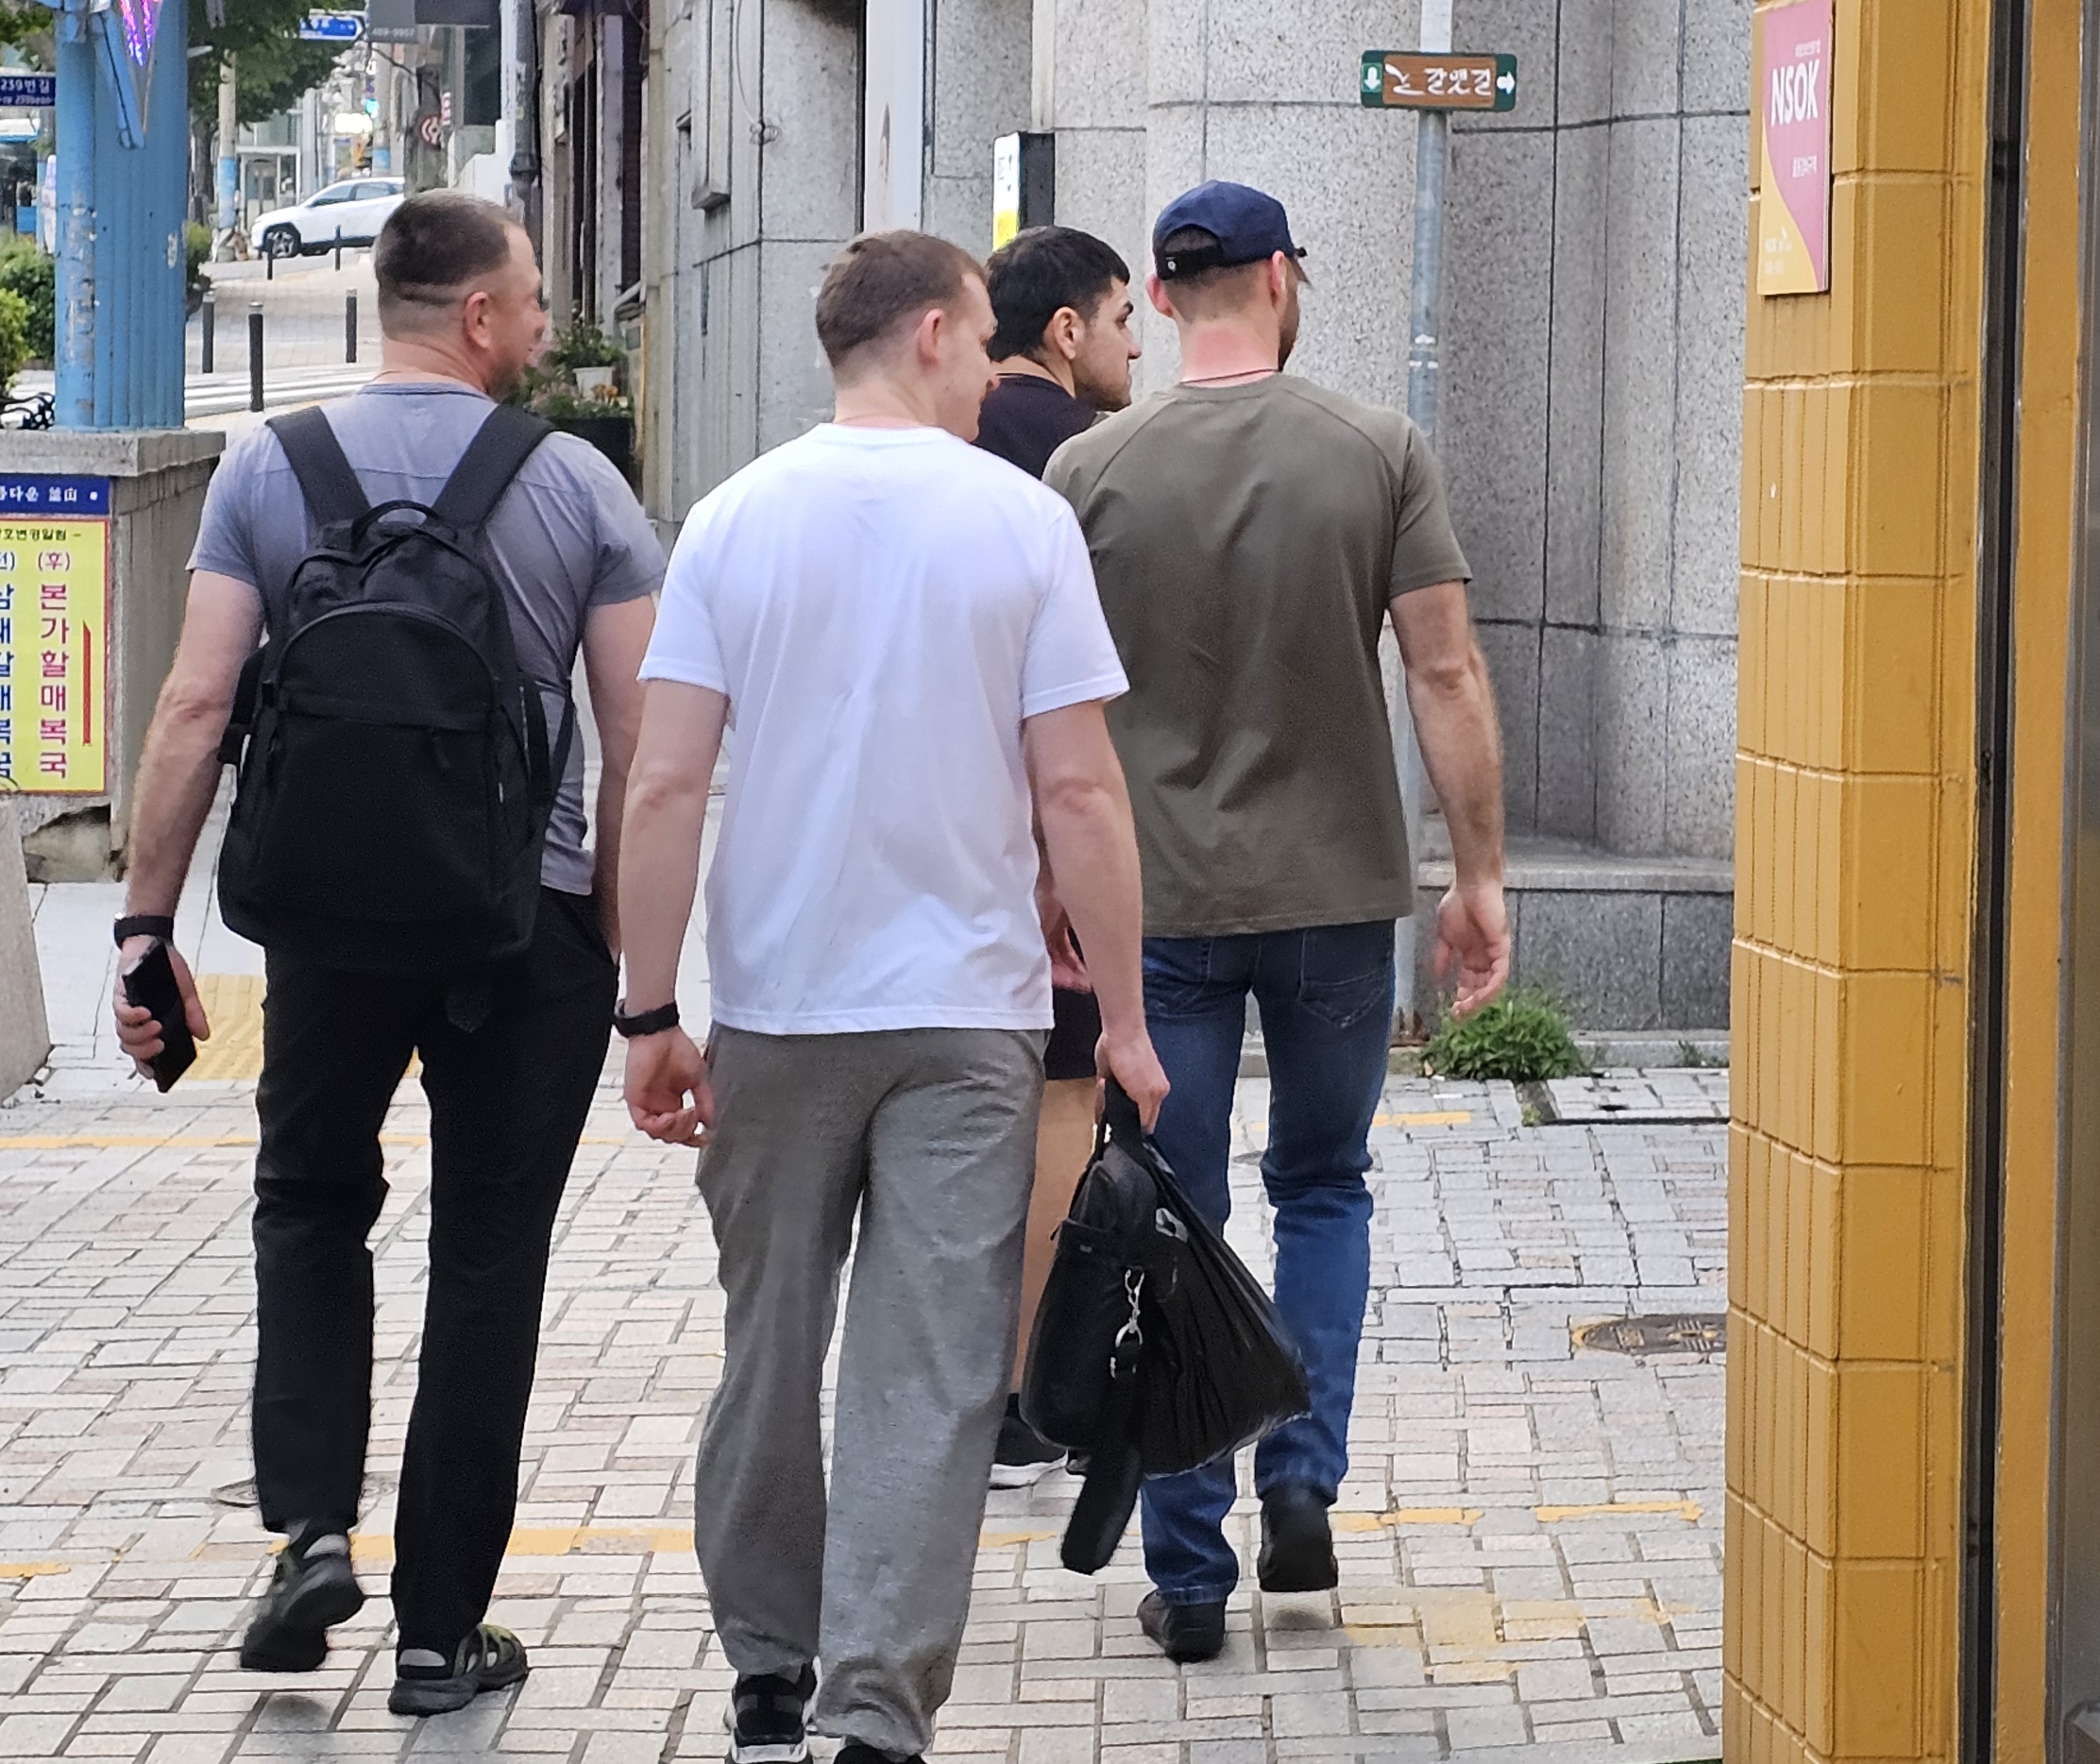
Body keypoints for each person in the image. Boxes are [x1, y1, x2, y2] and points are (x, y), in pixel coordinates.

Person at [617, 229, 1170, 1764]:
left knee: (769, 1349)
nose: (995, 371)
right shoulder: (1021, 523)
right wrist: (1126, 1022)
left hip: (779, 1012)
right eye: (983, 338)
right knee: (927, 1375)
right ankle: (874, 1713)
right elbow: (1082, 793)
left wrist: (649, 1012)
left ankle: (766, 1675)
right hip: (966, 1020)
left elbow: (664, 784)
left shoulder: (732, 520)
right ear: (929, 334)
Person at [110, 191, 666, 1705]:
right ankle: (438, 1633)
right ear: (479, 316)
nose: (543, 324)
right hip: (526, 923)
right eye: (532, 299)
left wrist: (149, 927)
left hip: (329, 921)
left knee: (308, 1202)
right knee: (487, 1256)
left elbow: (194, 708)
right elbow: (642, 749)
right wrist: (634, 968)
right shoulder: (578, 486)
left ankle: (308, 1530)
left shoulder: (267, 468)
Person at [1041, 180, 1512, 1664]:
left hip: (1159, 904)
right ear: (1283, 281)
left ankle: (1187, 1574)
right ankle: (1301, 1477)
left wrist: (1048, 881)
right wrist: (1478, 874)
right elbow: (1444, 672)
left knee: (1168, 1216)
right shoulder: (1378, 450)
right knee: (1323, 1187)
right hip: (1336, 897)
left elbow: (1045, 711)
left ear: (1162, 298)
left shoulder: (1089, 469)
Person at [967, 223, 1143, 1490]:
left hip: (948, 826)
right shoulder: (1081, 458)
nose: (1138, 344)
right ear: (1067, 330)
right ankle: (1029, 1394)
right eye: (1124, 318)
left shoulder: (944, 437)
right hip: (1050, 834)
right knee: (1064, 1102)